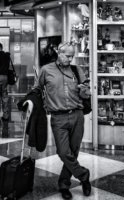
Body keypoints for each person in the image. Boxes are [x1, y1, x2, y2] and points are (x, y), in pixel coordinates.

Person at [36, 42, 91, 200]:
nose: (70, 59)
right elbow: (37, 89)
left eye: (72, 56)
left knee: (73, 152)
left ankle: (64, 183)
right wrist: (31, 102)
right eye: (67, 56)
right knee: (63, 152)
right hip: (58, 117)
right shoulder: (46, 70)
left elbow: (87, 95)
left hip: (77, 115)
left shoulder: (76, 70)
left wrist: (84, 90)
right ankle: (83, 175)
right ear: (59, 53)